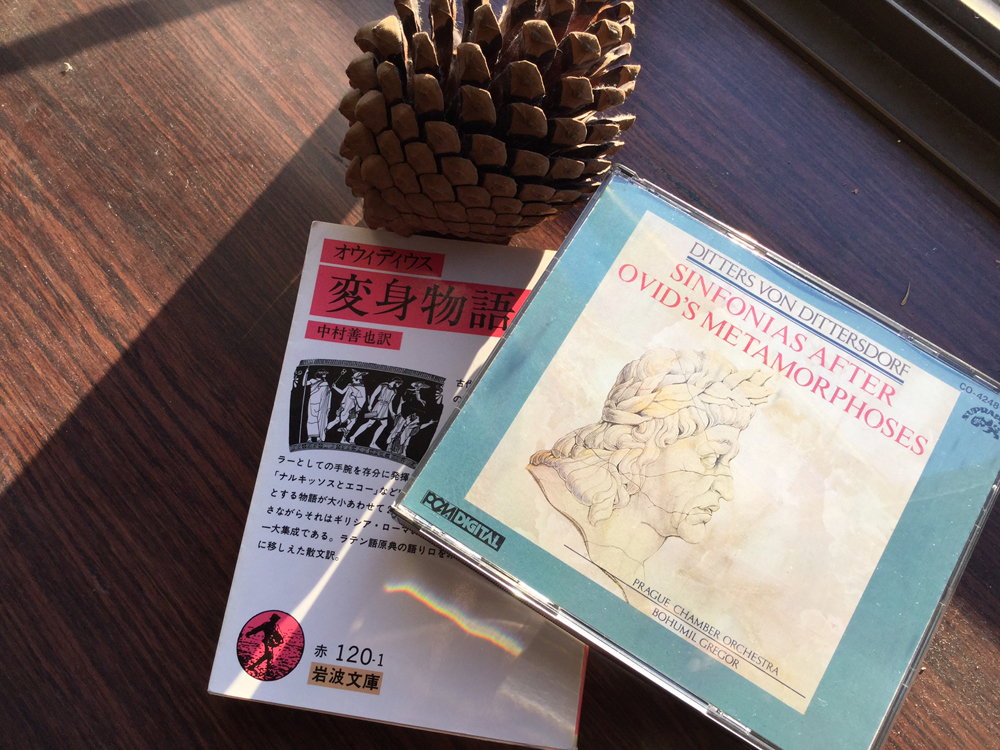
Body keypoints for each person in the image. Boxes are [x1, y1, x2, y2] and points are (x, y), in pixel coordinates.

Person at [528, 349, 773, 601]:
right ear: (643, 443)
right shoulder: (537, 500)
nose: (726, 491)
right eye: (712, 458)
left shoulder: (633, 589)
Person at [349, 378, 402, 447]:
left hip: (385, 409)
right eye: (398, 384)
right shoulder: (383, 385)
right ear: (395, 382)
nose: (398, 386)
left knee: (384, 424)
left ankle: (373, 443)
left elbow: (390, 402)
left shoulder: (394, 391)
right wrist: (370, 405)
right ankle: (353, 437)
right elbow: (374, 394)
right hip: (378, 406)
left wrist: (391, 412)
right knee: (370, 423)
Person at [327, 371, 366, 441]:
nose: (352, 379)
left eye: (353, 378)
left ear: (357, 379)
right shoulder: (350, 385)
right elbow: (342, 392)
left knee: (352, 422)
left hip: (353, 408)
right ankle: (324, 431)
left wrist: (356, 397)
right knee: (337, 420)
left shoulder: (362, 388)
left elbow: (363, 399)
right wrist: (335, 387)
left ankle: (343, 439)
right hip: (345, 406)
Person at [304, 369, 333, 442]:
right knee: (312, 419)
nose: (325, 376)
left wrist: (329, 392)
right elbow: (304, 384)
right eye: (324, 374)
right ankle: (310, 437)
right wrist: (306, 374)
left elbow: (327, 393)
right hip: (313, 402)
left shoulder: (325, 383)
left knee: (319, 419)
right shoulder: (313, 381)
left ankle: (318, 437)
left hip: (321, 403)